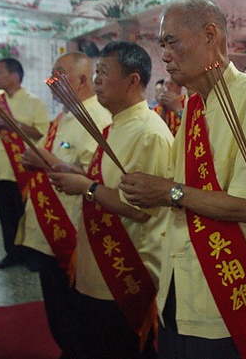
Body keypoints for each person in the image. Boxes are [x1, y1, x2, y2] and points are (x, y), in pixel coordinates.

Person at [118, 0, 246, 359]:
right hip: (177, 279)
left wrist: (169, 192)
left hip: (222, 285)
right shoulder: (195, 105)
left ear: (210, 34)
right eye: (161, 45)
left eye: (172, 42)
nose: (164, 55)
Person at [47, 41, 174, 359]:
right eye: (96, 72)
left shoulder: (150, 133)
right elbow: (108, 184)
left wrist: (86, 187)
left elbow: (142, 209)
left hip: (125, 271)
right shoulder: (115, 125)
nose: (96, 80)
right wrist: (78, 174)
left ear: (133, 80)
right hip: (95, 267)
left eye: (103, 72)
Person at [17, 51, 112, 359]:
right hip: (48, 233)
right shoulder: (63, 117)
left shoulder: (97, 118)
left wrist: (48, 161)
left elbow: (99, 180)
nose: (50, 82)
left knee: (76, 315)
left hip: (74, 236)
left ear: (84, 79)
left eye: (59, 75)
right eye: (51, 75)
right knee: (57, 311)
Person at [0, 58, 49, 269]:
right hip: (0, 168)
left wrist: (13, 124)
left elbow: (41, 133)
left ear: (14, 76)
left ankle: (31, 255)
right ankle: (11, 253)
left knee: (27, 214)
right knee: (6, 214)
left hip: (23, 169)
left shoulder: (34, 101)